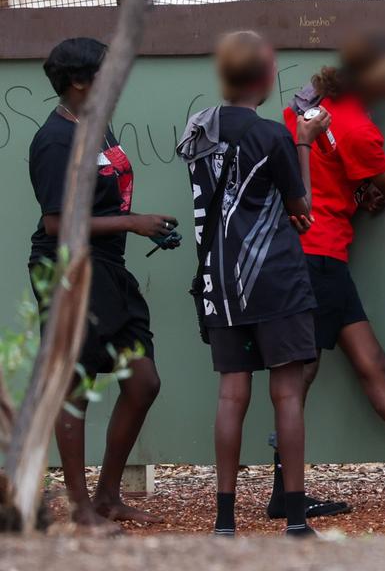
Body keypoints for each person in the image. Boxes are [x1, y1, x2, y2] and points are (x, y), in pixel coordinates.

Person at [278, 34, 385, 517]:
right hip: (321, 258)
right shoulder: (358, 130)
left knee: (361, 363)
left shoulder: (306, 109)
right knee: (310, 372)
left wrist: (356, 195)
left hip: (303, 255)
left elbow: (317, 174)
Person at [176, 31, 330, 537]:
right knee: (286, 395)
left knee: (230, 395)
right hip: (274, 283)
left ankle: (225, 520)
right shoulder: (272, 136)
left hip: (219, 284)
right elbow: (300, 205)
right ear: (265, 78)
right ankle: (297, 518)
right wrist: (304, 143)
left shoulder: (197, 132)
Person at [28, 37, 180, 531]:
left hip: (109, 268)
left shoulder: (97, 127)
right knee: (75, 383)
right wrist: (134, 223)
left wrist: (137, 225)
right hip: (70, 268)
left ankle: (108, 496)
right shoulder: (54, 141)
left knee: (143, 381)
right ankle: (81, 509)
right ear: (78, 82)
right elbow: (57, 224)